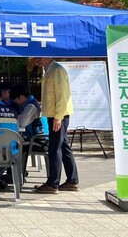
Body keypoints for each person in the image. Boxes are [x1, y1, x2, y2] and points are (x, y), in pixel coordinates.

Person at [32, 57, 79, 194]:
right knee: (63, 146)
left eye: (40, 57)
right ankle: (72, 180)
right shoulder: (49, 70)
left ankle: (53, 184)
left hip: (58, 115)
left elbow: (62, 95)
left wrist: (58, 117)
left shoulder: (57, 70)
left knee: (55, 147)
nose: (37, 60)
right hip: (55, 114)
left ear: (49, 56)